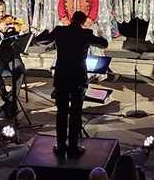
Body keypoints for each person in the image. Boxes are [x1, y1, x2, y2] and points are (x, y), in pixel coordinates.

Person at [45, 10, 108, 159]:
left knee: (61, 112)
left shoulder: (60, 30)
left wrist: (45, 32)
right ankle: (73, 146)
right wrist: (98, 34)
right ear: (83, 21)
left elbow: (41, 41)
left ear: (72, 19)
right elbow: (104, 44)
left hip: (62, 76)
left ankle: (60, 145)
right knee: (75, 112)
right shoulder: (86, 34)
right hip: (78, 77)